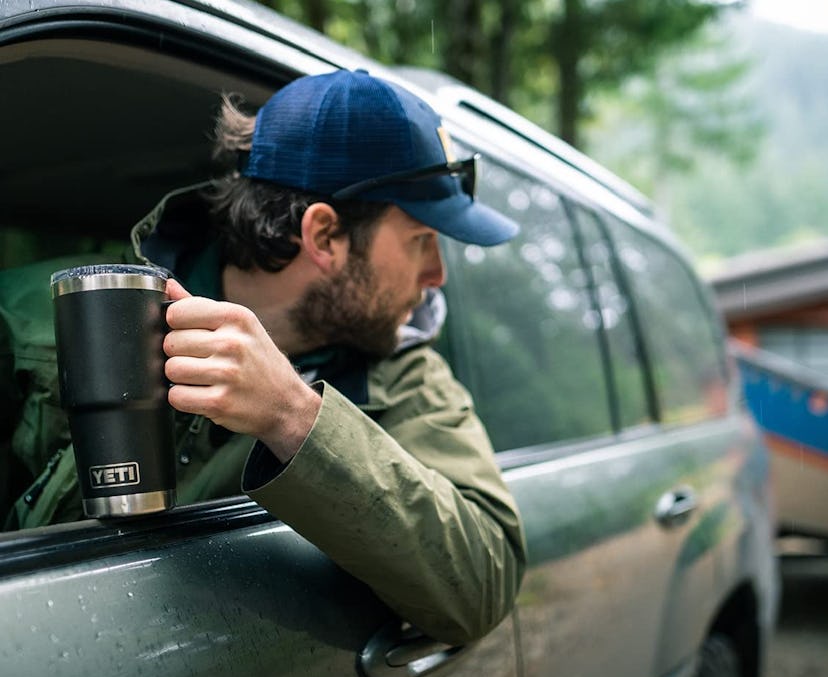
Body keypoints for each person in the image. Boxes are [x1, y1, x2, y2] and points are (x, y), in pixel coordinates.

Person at [6, 69, 526, 645]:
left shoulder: (406, 375)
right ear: (325, 236)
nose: (437, 275)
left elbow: (484, 585)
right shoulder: (28, 321)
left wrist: (295, 418)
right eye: (421, 239)